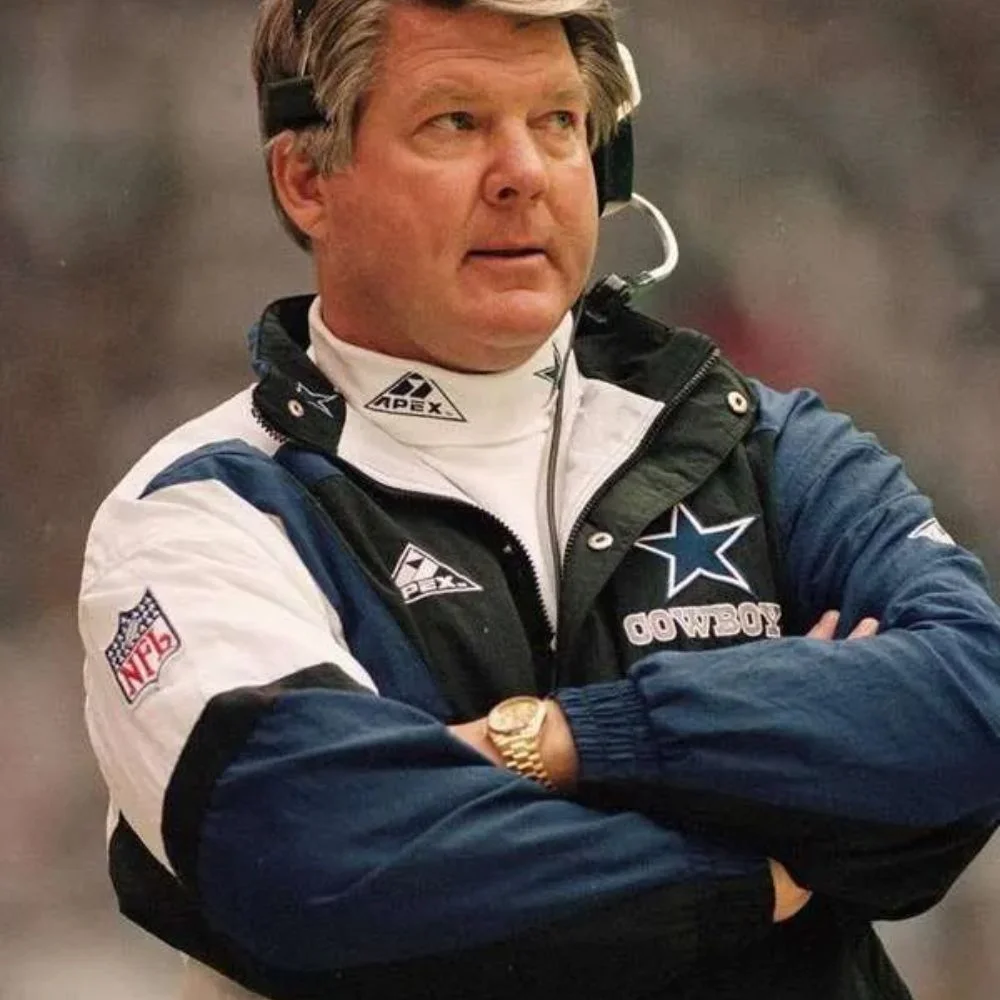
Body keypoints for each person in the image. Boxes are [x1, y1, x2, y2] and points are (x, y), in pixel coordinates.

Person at [78, 1, 1000, 998]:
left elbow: (973, 704)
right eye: (456, 122)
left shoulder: (760, 440)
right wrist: (768, 856)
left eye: (558, 120)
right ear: (306, 179)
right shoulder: (199, 510)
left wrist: (568, 744)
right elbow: (311, 856)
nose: (522, 171)